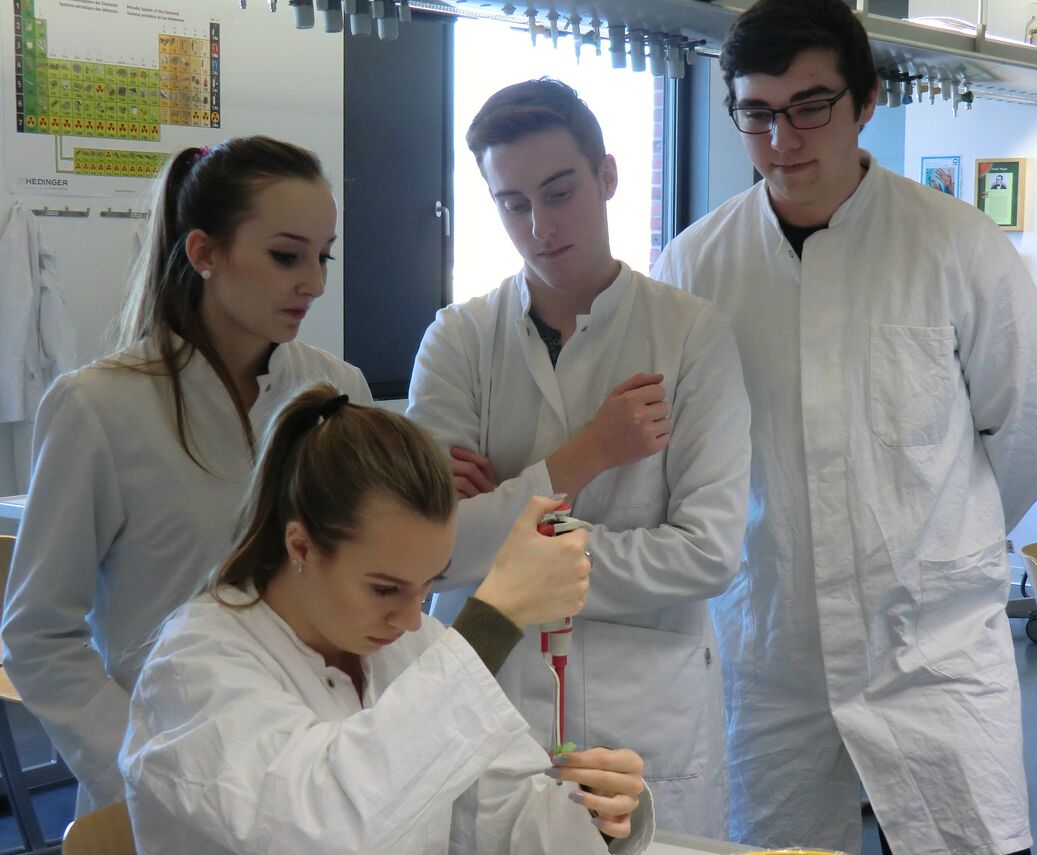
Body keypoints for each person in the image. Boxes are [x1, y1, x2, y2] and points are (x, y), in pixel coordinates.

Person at [651, 2, 1037, 853]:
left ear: (867, 99)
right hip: (772, 651)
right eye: (756, 114)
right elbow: (684, 456)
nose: (783, 140)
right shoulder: (696, 266)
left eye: (810, 106)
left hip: (932, 648)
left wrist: (943, 541)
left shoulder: (953, 244)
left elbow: (1034, 427)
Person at [406, 78, 750, 838]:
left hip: (645, 707)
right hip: (490, 700)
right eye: (513, 204)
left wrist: (508, 527)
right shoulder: (457, 341)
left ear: (608, 177)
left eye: (560, 193)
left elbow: (708, 553)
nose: (540, 226)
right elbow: (428, 551)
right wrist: (588, 454)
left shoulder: (690, 336)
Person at [2, 136, 372, 816]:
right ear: (204, 252)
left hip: (315, 772)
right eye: (286, 255)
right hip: (160, 782)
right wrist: (144, 766)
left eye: (323, 256)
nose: (315, 283)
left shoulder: (337, 390)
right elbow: (37, 636)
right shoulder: (99, 406)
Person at [121, 384, 653, 855]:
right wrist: (495, 619)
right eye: (384, 589)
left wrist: (592, 810)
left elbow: (495, 817)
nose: (410, 621)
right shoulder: (194, 667)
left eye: (426, 587)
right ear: (301, 546)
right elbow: (324, 828)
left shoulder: (406, 646)